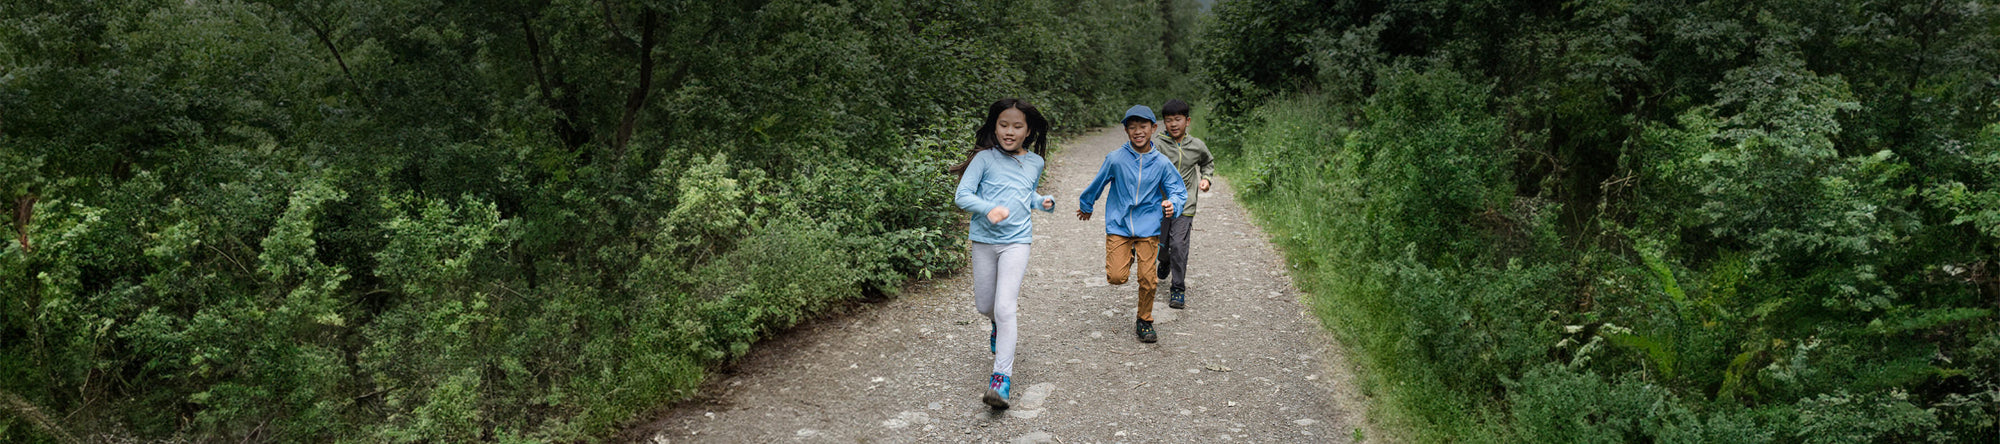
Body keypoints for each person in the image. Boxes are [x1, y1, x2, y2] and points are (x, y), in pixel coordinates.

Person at [951, 98, 1054, 409]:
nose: (1009, 131)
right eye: (1003, 125)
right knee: (986, 306)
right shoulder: (984, 159)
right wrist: (988, 209)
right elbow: (962, 195)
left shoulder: (1035, 162)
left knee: (1006, 306)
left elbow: (1024, 193)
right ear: (994, 127)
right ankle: (995, 324)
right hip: (984, 240)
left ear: (1028, 131)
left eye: (1017, 126)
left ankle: (1001, 379)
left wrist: (1041, 201)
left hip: (1017, 242)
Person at [1078, 105, 1187, 344]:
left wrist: (1174, 204)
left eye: (1143, 126)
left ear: (1153, 128)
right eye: (1132, 127)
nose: (1138, 131)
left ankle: (1144, 320)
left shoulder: (1161, 163)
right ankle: (1128, 254)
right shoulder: (1116, 158)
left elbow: (1177, 190)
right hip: (1119, 225)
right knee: (1116, 277)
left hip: (1148, 227)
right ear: (1126, 130)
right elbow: (1098, 183)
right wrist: (1087, 205)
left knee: (1148, 279)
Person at [1151, 99, 1213, 310]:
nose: (1174, 124)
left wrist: (1206, 178)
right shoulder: (1157, 145)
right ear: (1164, 124)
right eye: (1169, 121)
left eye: (1178, 119)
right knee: (1162, 246)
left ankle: (1178, 288)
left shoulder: (1196, 146)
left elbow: (1207, 162)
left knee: (1179, 245)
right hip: (1160, 205)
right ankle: (1164, 261)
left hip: (1185, 205)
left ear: (1187, 121)